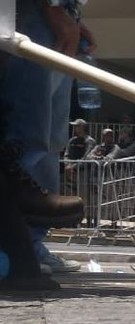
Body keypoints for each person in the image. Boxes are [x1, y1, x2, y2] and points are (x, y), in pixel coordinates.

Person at [1, 0, 93, 275]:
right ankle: (12, 241)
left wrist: (70, 13)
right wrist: (52, 7)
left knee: (48, 135)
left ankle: (29, 242)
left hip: (51, 12)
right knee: (27, 131)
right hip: (31, 11)